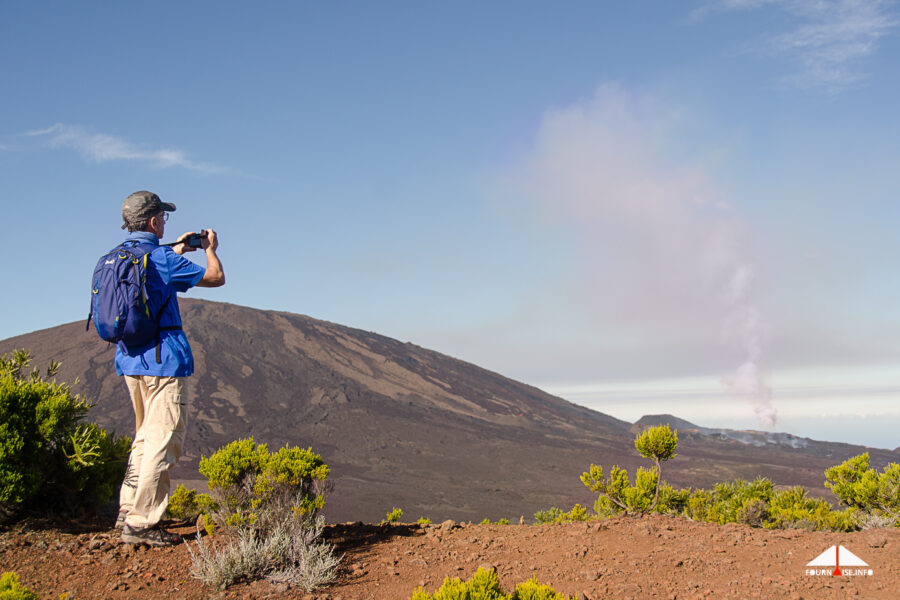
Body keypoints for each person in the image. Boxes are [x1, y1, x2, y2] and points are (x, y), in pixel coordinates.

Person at [112, 190, 225, 546]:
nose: (164, 222)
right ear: (152, 221)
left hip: (130, 361)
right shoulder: (160, 259)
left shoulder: (115, 258)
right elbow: (214, 277)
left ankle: (127, 509)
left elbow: (154, 268)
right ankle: (142, 522)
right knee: (165, 439)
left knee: (145, 436)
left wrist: (179, 247)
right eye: (162, 216)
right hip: (163, 362)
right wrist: (210, 249)